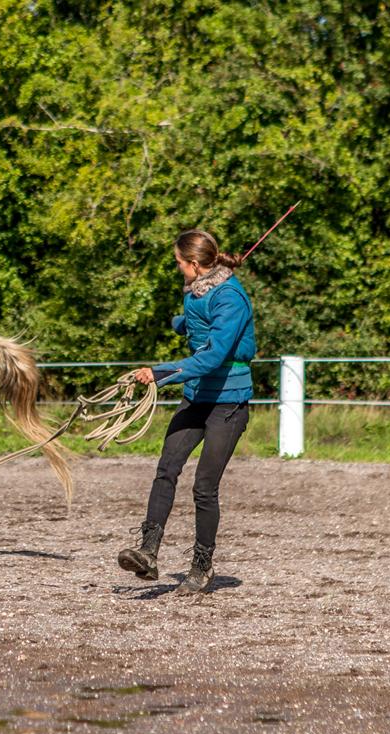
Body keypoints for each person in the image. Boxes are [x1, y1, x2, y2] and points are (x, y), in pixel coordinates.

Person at [118, 229, 255, 596]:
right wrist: (182, 323)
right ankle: (148, 553)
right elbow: (197, 321)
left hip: (228, 402)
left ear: (194, 265)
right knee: (166, 468)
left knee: (204, 487)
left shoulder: (232, 299)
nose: (178, 269)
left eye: (180, 263)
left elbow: (213, 355)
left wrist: (160, 374)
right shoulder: (199, 292)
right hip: (197, 396)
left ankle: (202, 565)